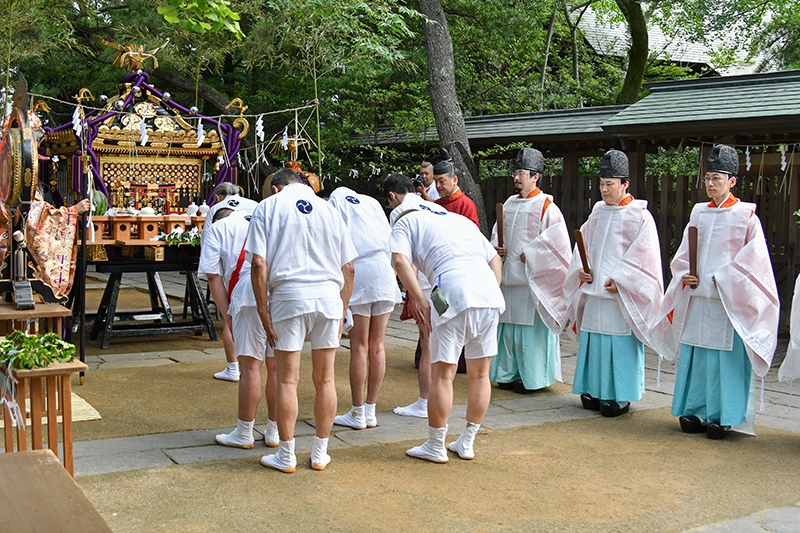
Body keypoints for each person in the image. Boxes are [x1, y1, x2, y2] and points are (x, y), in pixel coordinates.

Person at [657, 144, 779, 439]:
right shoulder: (699, 213)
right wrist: (685, 274)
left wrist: (719, 281)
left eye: (717, 178)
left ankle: (724, 416)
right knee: (697, 357)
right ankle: (695, 410)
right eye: (708, 178)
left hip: (728, 303)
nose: (710, 184)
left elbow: (755, 266)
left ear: (732, 181)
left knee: (725, 360)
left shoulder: (747, 217)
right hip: (698, 300)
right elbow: (684, 254)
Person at [385, 173, 505, 463]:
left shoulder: (405, 220)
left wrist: (419, 297)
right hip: (488, 292)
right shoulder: (458, 220)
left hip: (451, 289)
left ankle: (436, 444)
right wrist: (489, 290)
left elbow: (400, 261)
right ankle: (466, 441)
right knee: (480, 374)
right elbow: (495, 259)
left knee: (443, 373)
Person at [248, 168, 356, 472]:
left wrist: (262, 310)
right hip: (328, 298)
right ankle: (320, 452)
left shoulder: (267, 207)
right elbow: (348, 268)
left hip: (288, 296)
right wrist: (342, 311)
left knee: (287, 379)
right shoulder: (330, 209)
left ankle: (286, 454)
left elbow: (258, 263)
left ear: (276, 188)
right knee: (326, 380)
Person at [563, 149, 664, 418]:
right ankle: (592, 389)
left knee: (619, 345)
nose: (604, 190)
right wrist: (582, 271)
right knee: (594, 341)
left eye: (609, 184)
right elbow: (582, 247)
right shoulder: (597, 211)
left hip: (621, 295)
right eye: (601, 184)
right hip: (595, 290)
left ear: (625, 184)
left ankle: (619, 396)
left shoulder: (640, 214)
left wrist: (623, 282)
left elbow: (647, 257)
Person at [490, 147, 572, 394]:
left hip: (532, 281)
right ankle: (506, 373)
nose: (517, 177)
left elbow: (558, 245)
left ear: (535, 176)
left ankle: (532, 378)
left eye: (522, 173)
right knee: (508, 330)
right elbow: (497, 233)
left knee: (530, 334)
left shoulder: (547, 206)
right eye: (515, 172)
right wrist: (497, 249)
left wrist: (534, 252)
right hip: (508, 278)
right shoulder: (509, 203)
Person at [202, 208, 279, 449]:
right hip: (281, 291)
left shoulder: (217, 228)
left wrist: (227, 316)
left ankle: (244, 432)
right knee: (278, 369)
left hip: (249, 292)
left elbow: (213, 276)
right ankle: (275, 431)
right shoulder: (272, 218)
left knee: (251, 367)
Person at [327, 186, 401, 430]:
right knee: (377, 345)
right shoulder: (371, 202)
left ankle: (358, 412)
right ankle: (370, 409)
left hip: (359, 268)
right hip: (384, 268)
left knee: (359, 346)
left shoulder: (336, 202)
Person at [200, 181, 259, 382]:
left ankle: (233, 367)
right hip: (267, 277)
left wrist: (226, 314)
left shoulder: (217, 215)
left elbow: (211, 272)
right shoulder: (256, 206)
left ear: (217, 198)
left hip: (238, 277)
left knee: (231, 317)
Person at [433, 155, 479, 228]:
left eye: (441, 181)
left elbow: (472, 235)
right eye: (435, 181)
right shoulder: (436, 204)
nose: (437, 185)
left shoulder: (466, 204)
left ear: (454, 180)